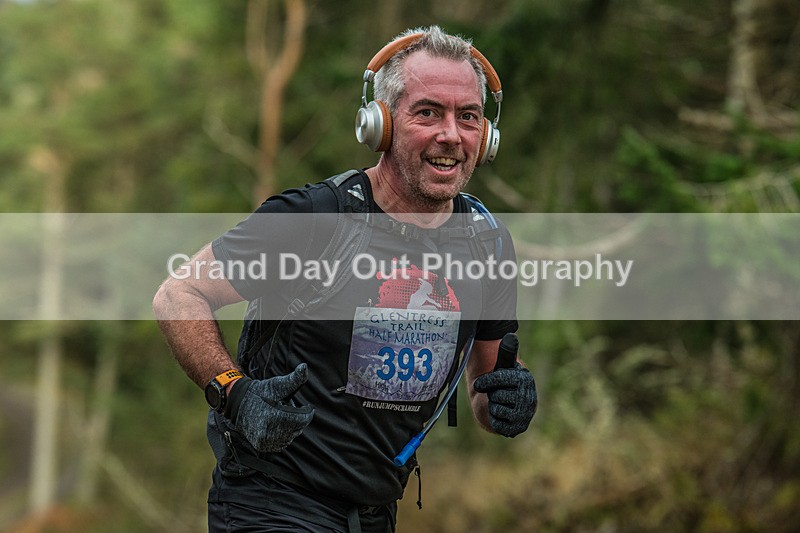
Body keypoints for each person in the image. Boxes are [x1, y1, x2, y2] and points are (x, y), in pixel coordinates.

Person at [153, 25, 537, 533]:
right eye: (427, 113)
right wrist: (234, 391)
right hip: (270, 503)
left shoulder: (485, 242)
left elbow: (486, 393)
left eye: (467, 116)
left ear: (485, 135)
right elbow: (179, 293)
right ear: (381, 124)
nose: (450, 134)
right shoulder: (316, 218)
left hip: (375, 513)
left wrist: (511, 399)